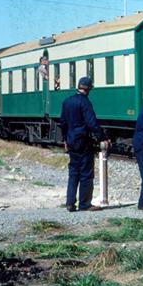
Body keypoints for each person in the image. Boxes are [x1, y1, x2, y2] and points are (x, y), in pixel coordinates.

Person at [59, 76, 109, 212]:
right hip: (83, 141)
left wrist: (65, 139)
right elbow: (92, 122)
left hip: (71, 141)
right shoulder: (85, 102)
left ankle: (70, 203)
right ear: (88, 89)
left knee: (73, 172)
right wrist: (102, 137)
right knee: (86, 173)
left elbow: (63, 122)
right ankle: (85, 204)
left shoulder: (67, 101)